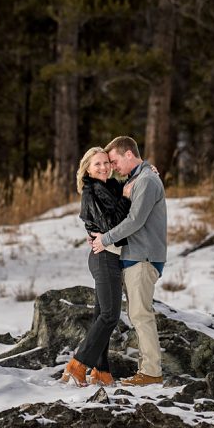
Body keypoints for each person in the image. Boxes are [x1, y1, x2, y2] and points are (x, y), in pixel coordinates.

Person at [89, 136, 167, 386]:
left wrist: (105, 239)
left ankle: (152, 372)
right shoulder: (139, 178)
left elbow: (135, 221)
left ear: (129, 155)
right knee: (137, 314)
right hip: (134, 257)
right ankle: (147, 370)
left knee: (141, 315)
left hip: (143, 258)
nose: (112, 167)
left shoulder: (145, 180)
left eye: (113, 161)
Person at [61, 146, 130, 387]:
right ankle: (78, 364)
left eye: (106, 163)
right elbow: (112, 224)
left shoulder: (110, 186)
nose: (103, 167)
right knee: (110, 315)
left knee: (102, 315)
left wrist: (146, 171)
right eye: (97, 164)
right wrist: (125, 198)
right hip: (104, 257)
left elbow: (129, 190)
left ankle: (101, 371)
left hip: (110, 256)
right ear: (87, 169)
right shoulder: (91, 191)